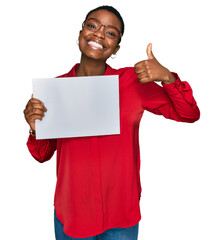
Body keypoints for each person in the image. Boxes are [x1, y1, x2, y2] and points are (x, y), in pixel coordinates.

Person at [24, 5, 200, 240]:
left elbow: (188, 113)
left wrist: (167, 78)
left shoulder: (132, 83)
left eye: (110, 32)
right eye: (92, 25)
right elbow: (42, 155)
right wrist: (35, 128)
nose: (98, 34)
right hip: (73, 213)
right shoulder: (54, 90)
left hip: (120, 214)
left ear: (116, 47)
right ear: (80, 33)